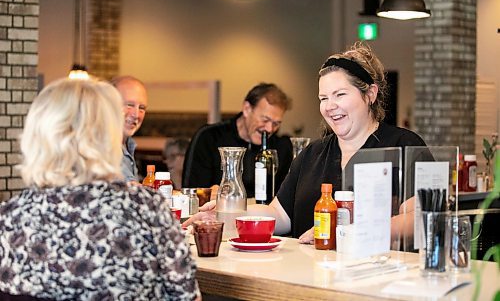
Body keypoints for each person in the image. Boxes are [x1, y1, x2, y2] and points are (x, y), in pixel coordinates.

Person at [184, 42, 426, 243]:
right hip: (310, 277)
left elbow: (421, 217)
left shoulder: (404, 145)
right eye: (323, 98)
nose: (330, 106)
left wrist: (348, 232)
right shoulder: (313, 154)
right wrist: (227, 214)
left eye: (340, 94)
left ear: (370, 94)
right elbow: (279, 214)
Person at [0, 78, 199, 300]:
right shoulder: (147, 209)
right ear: (109, 134)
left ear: (35, 135)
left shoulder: (8, 218)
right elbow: (186, 296)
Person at [182, 83, 294, 199]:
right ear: (246, 109)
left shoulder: (281, 148)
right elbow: (191, 192)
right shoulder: (209, 137)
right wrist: (208, 193)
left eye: (276, 124)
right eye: (265, 120)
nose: (269, 129)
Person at [110, 75, 148, 184]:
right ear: (109, 105)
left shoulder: (127, 144)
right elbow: (130, 189)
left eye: (142, 108)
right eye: (129, 105)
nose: (136, 114)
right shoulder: (102, 145)